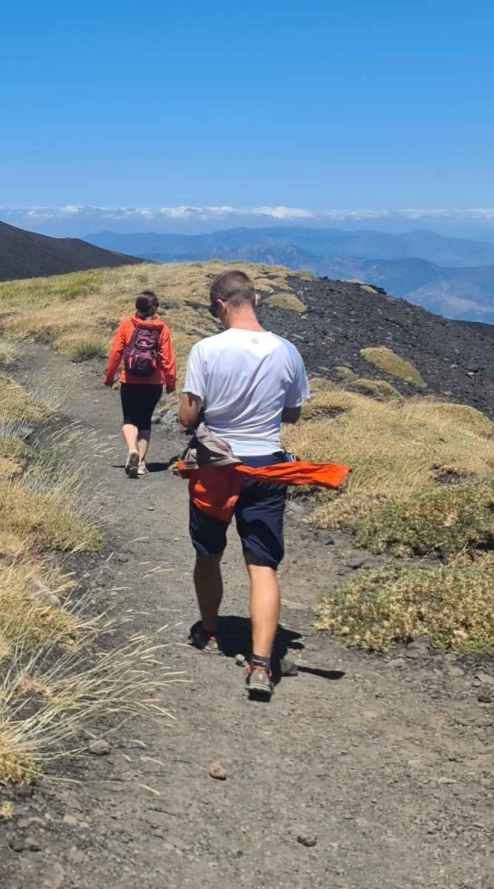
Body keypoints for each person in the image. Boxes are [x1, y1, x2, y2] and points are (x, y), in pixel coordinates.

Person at [178, 270, 309, 698]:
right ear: (254, 299)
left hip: (218, 467)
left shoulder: (206, 349)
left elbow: (187, 416)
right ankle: (260, 664)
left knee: (209, 552)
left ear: (219, 306)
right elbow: (292, 414)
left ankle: (210, 632)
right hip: (268, 468)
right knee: (263, 565)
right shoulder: (287, 351)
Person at [104, 290, 178, 478]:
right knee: (145, 421)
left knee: (129, 419)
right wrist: (170, 383)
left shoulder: (127, 325)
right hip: (153, 383)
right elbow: (168, 360)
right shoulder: (162, 329)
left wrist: (110, 376)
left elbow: (116, 353)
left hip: (129, 380)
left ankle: (131, 450)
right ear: (154, 307)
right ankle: (143, 463)